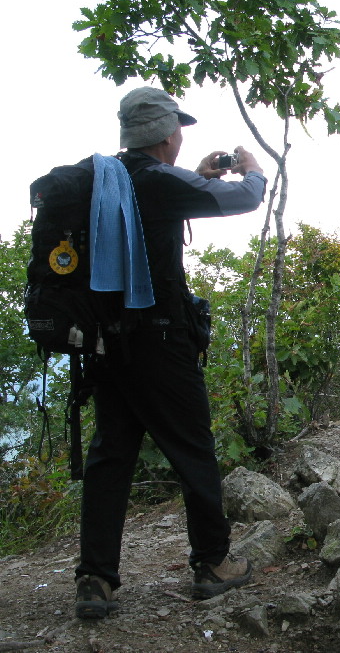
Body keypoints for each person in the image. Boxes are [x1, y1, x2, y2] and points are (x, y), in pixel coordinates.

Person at [75, 87, 267, 618]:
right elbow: (248, 198)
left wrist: (200, 177)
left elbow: (152, 212)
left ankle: (95, 580)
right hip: (159, 340)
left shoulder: (109, 178)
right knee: (193, 448)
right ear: (166, 134)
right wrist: (253, 168)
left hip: (106, 342)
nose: (182, 137)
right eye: (178, 128)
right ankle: (212, 563)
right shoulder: (158, 180)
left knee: (111, 455)